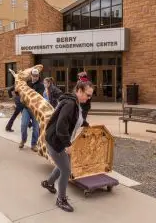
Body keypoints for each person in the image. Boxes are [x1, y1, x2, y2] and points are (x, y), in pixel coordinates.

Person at [40, 80, 94, 212]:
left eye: (90, 95)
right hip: (55, 141)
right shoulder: (70, 104)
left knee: (63, 165)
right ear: (79, 91)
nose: (89, 98)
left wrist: (86, 124)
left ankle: (49, 183)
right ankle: (61, 199)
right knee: (66, 170)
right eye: (87, 95)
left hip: (59, 140)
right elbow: (60, 127)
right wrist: (67, 145)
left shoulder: (76, 103)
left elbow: (75, 119)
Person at [20, 68, 45, 152]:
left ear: (38, 76)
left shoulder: (41, 85)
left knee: (36, 128)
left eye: (37, 76)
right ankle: (23, 140)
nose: (35, 77)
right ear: (31, 76)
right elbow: (23, 93)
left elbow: (39, 95)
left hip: (35, 110)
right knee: (24, 125)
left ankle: (33, 144)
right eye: (34, 76)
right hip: (26, 108)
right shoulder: (28, 83)